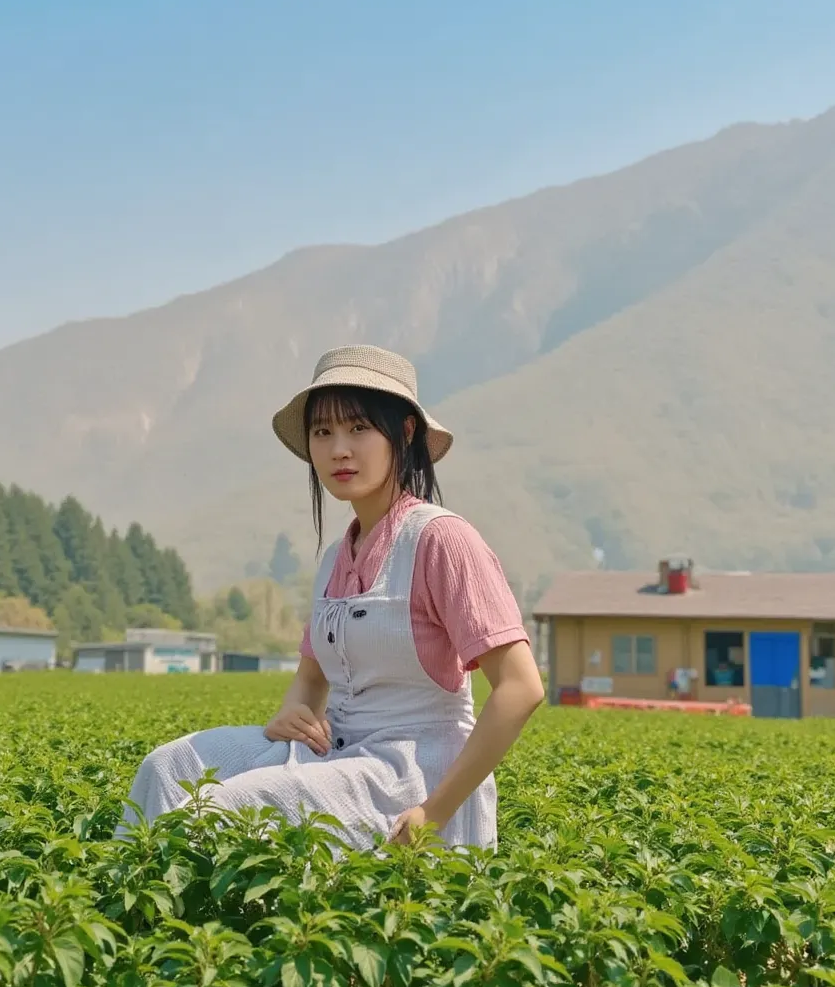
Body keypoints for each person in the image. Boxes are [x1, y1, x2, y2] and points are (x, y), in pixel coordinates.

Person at [117, 346, 544, 851]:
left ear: (405, 433)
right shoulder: (334, 558)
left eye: (359, 428)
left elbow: (520, 688)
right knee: (168, 767)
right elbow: (310, 681)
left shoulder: (441, 541)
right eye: (323, 433)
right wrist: (293, 712)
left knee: (225, 809)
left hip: (412, 776)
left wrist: (435, 811)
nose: (339, 449)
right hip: (338, 754)